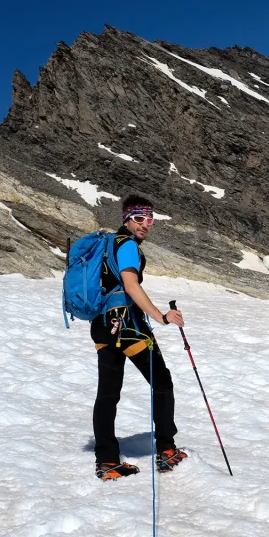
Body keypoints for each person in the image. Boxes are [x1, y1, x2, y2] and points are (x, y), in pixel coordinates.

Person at [91, 194, 187, 481]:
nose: (145, 224)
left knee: (108, 393)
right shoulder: (128, 245)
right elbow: (131, 285)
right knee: (162, 381)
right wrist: (161, 316)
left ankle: (107, 460)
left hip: (102, 325)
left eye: (149, 218)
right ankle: (166, 449)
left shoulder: (108, 243)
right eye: (138, 218)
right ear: (126, 220)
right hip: (128, 327)